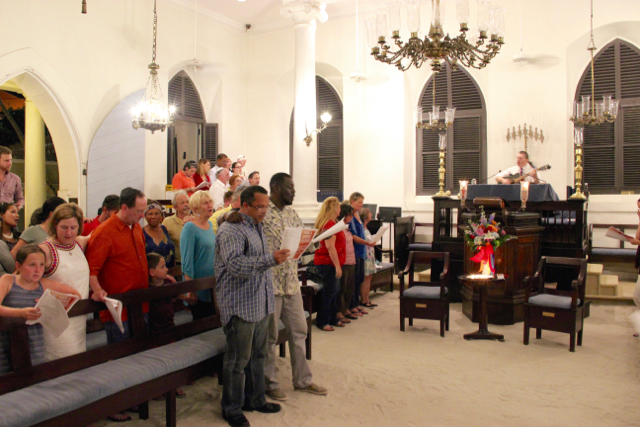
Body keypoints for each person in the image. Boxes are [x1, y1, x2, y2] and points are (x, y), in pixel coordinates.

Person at [215, 185, 289, 427]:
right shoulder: (230, 230)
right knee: (237, 361)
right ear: (244, 205)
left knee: (258, 356)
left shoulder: (256, 227)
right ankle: (231, 408)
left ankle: (255, 399)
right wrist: (271, 259)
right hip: (240, 306)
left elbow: (259, 263)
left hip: (261, 301)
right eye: (260, 207)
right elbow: (236, 266)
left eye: (266, 207)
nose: (264, 211)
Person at [263, 173, 328, 401]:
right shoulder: (262, 211)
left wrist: (317, 239)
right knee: (270, 337)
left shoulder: (292, 213)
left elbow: (304, 245)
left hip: (291, 283)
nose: (294, 191)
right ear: (276, 188)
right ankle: (269, 383)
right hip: (270, 285)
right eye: (290, 187)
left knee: (300, 331)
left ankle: (302, 380)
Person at [0, 244, 81, 374]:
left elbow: (75, 295)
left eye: (42, 265)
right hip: (6, 340)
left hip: (34, 340)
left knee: (32, 376)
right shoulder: (8, 280)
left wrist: (53, 302)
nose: (38, 270)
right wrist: (21, 313)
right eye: (32, 265)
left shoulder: (43, 284)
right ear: (18, 266)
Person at [85, 187, 149, 343]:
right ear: (124, 208)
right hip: (119, 308)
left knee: (143, 355)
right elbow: (91, 270)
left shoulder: (136, 226)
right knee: (122, 360)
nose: (142, 216)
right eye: (138, 212)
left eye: (143, 211)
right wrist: (98, 289)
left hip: (141, 302)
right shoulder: (104, 233)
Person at [39, 203, 91, 361]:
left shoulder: (79, 244)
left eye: (73, 227)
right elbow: (24, 279)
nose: (69, 233)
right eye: (64, 227)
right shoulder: (45, 250)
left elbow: (99, 234)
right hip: (55, 321)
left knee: (78, 361)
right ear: (55, 224)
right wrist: (64, 289)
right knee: (61, 362)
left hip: (79, 317)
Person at [146, 252, 187, 398]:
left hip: (170, 327)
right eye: (162, 267)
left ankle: (172, 385)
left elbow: (177, 296)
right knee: (157, 361)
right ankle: (158, 389)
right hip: (155, 331)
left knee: (173, 357)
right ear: (151, 272)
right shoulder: (146, 290)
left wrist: (187, 296)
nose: (167, 269)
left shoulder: (168, 284)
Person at [180, 191, 216, 320]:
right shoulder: (189, 227)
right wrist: (191, 289)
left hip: (212, 284)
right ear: (195, 208)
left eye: (210, 202)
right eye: (205, 203)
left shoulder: (210, 224)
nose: (209, 205)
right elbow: (187, 261)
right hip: (198, 286)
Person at [313, 196, 345, 331]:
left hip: (330, 262)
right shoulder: (329, 225)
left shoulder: (333, 222)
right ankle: (322, 320)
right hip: (327, 262)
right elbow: (330, 247)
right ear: (333, 208)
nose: (340, 209)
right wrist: (337, 266)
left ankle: (332, 318)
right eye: (338, 206)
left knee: (334, 291)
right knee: (330, 292)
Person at [348, 192, 376, 316]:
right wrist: (366, 242)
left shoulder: (357, 215)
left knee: (359, 279)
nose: (361, 205)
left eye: (361, 203)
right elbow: (353, 235)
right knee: (353, 281)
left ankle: (356, 304)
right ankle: (352, 306)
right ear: (352, 202)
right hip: (355, 250)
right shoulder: (351, 215)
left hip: (362, 251)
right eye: (359, 202)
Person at [162, 190, 193, 279]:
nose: (186, 205)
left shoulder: (197, 219)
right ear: (175, 207)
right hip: (178, 265)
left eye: (187, 202)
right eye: (182, 203)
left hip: (196, 262)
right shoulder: (168, 222)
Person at [336, 203, 357, 323]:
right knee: (342, 288)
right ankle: (339, 311)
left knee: (350, 287)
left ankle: (346, 308)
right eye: (350, 214)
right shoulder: (339, 227)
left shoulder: (347, 227)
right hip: (343, 261)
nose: (352, 217)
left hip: (351, 259)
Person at [143, 201, 175, 271]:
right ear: (145, 216)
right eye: (150, 214)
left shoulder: (164, 229)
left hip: (171, 272)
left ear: (161, 215)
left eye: (156, 213)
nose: (153, 217)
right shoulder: (141, 233)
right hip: (153, 276)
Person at [359, 207, 378, 308]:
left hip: (370, 255)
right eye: (370, 213)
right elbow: (364, 240)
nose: (371, 214)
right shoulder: (361, 228)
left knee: (369, 277)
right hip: (365, 255)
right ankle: (364, 300)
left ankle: (368, 298)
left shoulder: (366, 227)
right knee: (365, 278)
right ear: (366, 216)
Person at [0, 146, 24, 211]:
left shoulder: (15, 179)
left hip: (8, 216)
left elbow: (20, 198)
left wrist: (19, 205)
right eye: (6, 160)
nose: (10, 163)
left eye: (11, 160)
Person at [0, 203, 19, 276]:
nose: (17, 215)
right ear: (2, 215)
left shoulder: (21, 237)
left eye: (17, 212)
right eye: (13, 212)